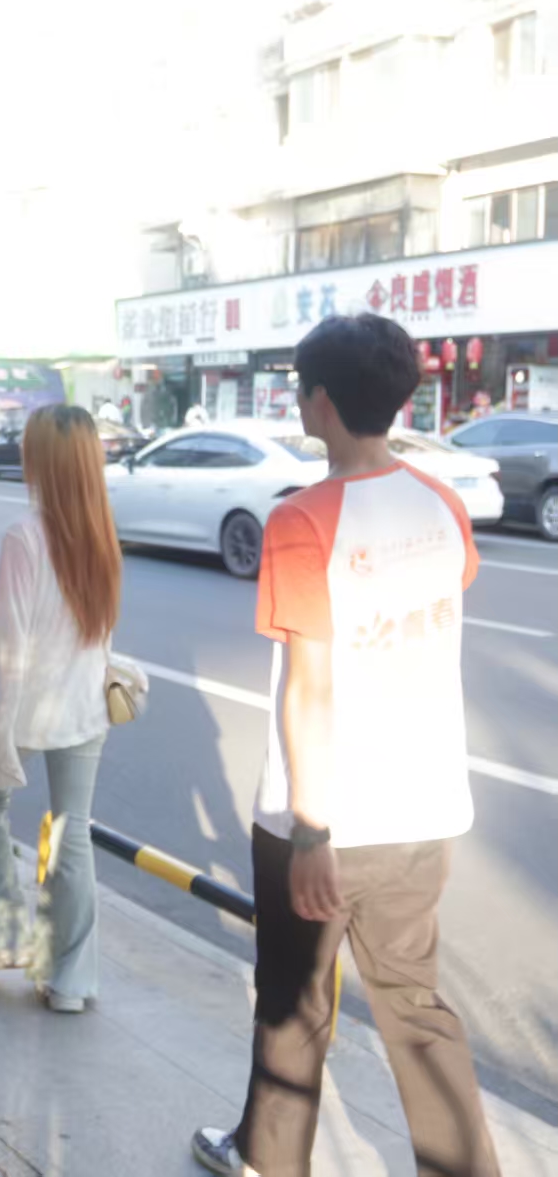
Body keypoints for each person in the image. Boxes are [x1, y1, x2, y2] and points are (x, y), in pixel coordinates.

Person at [194, 315, 499, 1176]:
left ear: (321, 401)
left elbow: (312, 686)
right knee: (416, 1008)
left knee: (293, 1011)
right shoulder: (441, 503)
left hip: (325, 817)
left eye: (301, 388)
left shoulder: (302, 519)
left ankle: (271, 1161)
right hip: (425, 811)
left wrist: (311, 829)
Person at [0, 404, 120, 1014]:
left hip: (25, 709)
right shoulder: (101, 530)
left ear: (39, 460)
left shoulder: (25, 536)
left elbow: (10, 650)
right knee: (73, 831)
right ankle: (69, 981)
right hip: (84, 706)